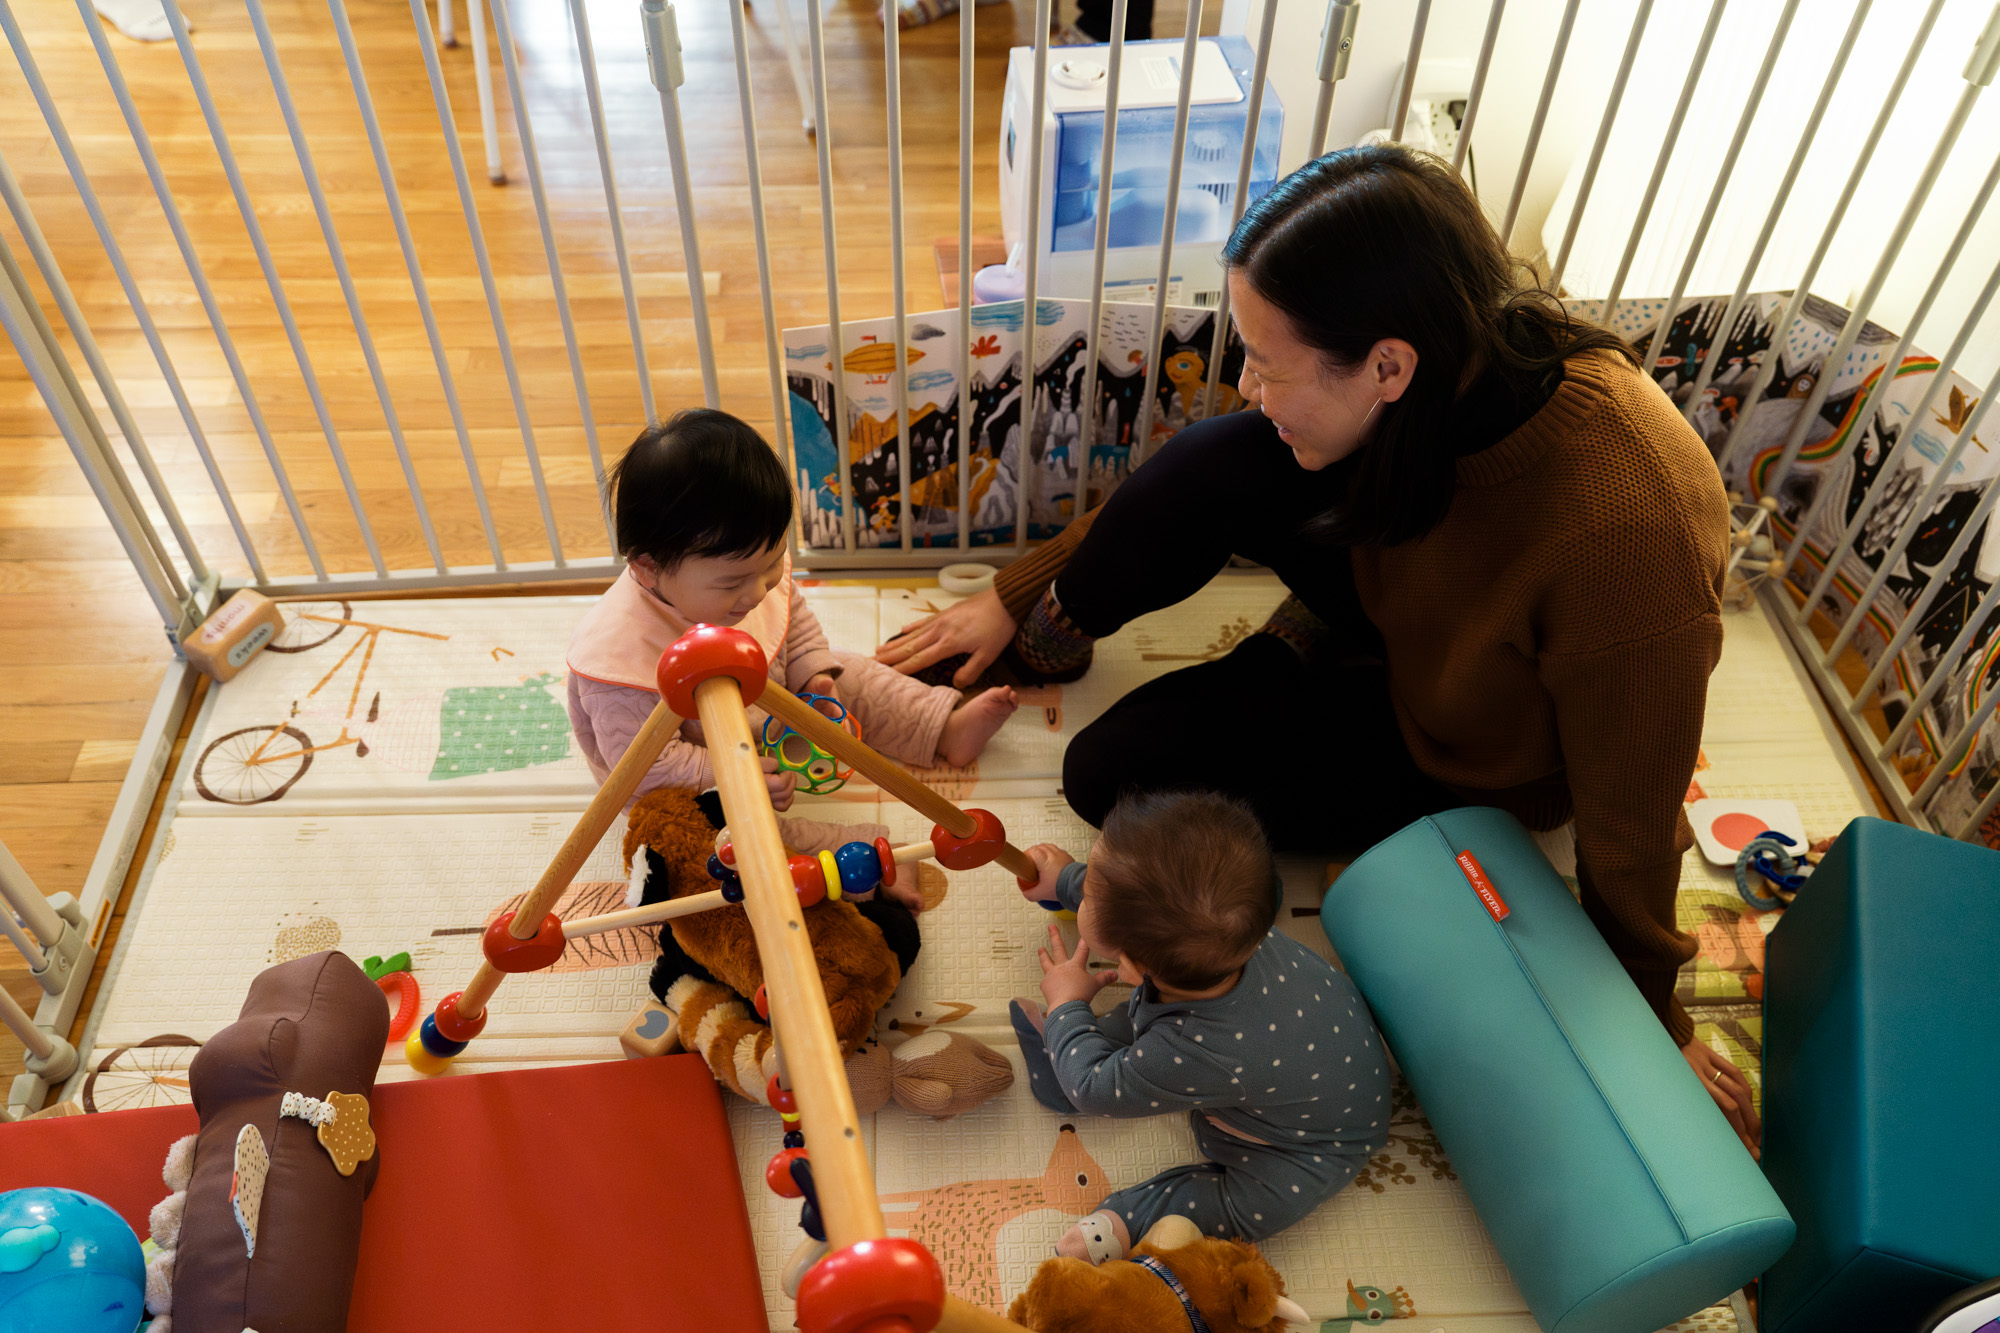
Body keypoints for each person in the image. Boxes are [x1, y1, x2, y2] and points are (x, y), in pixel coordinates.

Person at [876, 145, 1761, 1156]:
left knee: (1107, 772)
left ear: (1387, 365)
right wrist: (1021, 595)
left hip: (1471, 745)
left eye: (1267, 363)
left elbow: (1632, 814)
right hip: (1397, 582)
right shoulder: (1446, 357)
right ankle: (1103, 634)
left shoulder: (1627, 534)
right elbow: (1204, 471)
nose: (1247, 382)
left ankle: (1297, 652)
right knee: (1218, 455)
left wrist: (1654, 1015)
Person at [566, 409, 1019, 832]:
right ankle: (850, 854)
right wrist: (736, 773)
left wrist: (814, 676)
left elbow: (794, 621)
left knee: (849, 671)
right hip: (695, 770)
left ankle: (941, 728)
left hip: (769, 704)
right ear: (648, 568)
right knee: (722, 837)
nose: (758, 592)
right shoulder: (615, 663)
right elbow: (647, 769)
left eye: (772, 563)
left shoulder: (751, 574)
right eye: (733, 583)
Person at [1010, 790, 1386, 1257]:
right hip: (1320, 1047)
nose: (1083, 888)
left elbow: (1095, 1091)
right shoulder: (1227, 927)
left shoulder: (1194, 1047)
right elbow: (1143, 896)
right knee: (1129, 1025)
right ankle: (1061, 1059)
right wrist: (1066, 879)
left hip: (1318, 1143)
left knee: (1247, 1210)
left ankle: (1129, 1221)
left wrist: (1067, 1003)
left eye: (1087, 892)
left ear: (1130, 967)